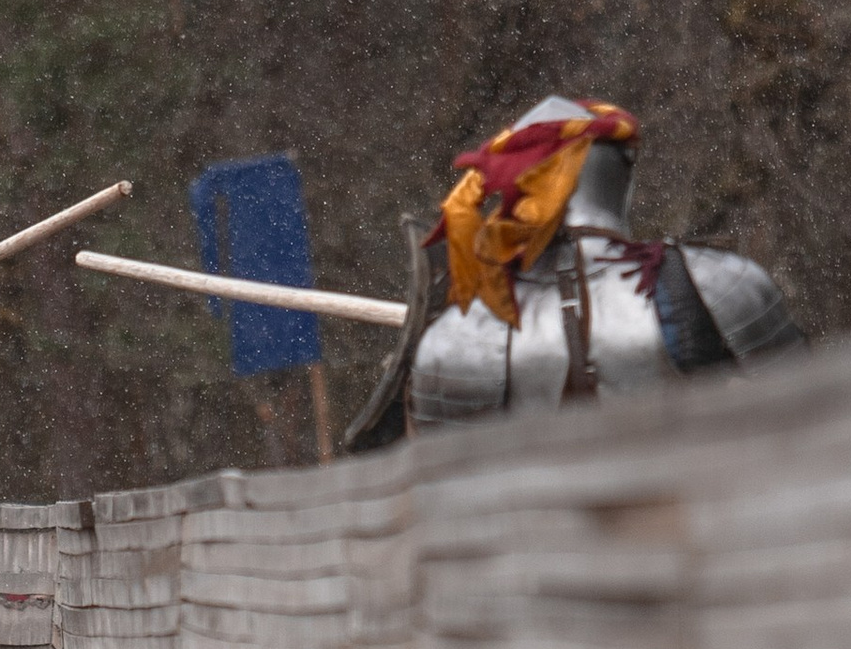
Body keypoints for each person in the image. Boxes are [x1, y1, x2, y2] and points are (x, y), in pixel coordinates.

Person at [344, 96, 806, 449]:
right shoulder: (718, 283)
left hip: (542, 559)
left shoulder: (461, 334)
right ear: (620, 167)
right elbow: (811, 417)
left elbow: (446, 486)